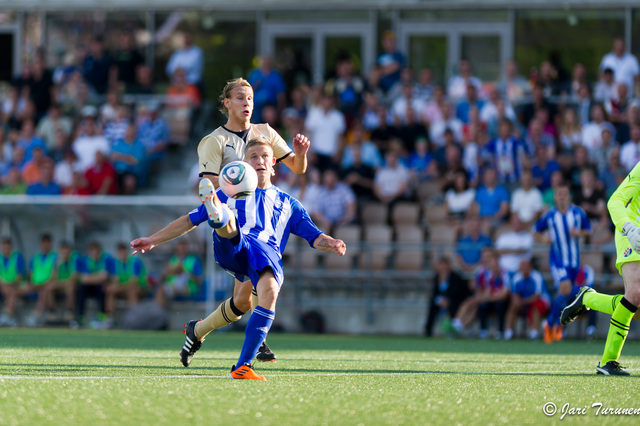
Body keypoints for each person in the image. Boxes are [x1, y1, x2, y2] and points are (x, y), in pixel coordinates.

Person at [130, 138, 346, 380]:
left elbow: (314, 236)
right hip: (235, 245)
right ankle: (217, 213)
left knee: (249, 301)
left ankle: (231, 358)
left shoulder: (289, 204)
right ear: (245, 163)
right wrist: (153, 240)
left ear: (274, 163)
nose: (260, 161)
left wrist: (333, 242)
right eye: (253, 156)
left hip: (265, 256)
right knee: (228, 219)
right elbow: (188, 221)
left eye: (265, 156)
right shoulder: (229, 191)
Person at [195, 77, 311, 362]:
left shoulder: (265, 132)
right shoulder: (215, 140)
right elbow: (210, 187)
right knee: (258, 284)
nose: (247, 103)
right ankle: (257, 342)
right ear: (227, 103)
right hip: (233, 221)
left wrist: (301, 153)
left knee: (243, 301)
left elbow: (297, 168)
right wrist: (237, 188)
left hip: (262, 216)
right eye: (240, 98)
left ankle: (196, 331)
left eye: (250, 98)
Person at [560, 156, 640, 375]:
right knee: (636, 293)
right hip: (632, 233)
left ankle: (587, 298)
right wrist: (629, 229)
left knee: (635, 309)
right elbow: (615, 201)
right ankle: (608, 362)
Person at [534, 183, 591, 344]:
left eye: (565, 194)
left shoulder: (578, 213)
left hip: (574, 261)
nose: (562, 197)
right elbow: (536, 231)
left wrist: (578, 233)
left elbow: (588, 230)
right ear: (555, 197)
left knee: (565, 294)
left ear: (569, 196)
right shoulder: (550, 215)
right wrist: (544, 238)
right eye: (559, 194)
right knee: (565, 287)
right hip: (558, 260)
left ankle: (553, 324)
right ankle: (553, 325)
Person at [424, 256, 473, 337]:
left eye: (445, 265)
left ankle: (452, 329)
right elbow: (434, 293)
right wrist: (439, 300)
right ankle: (428, 330)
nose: (443, 268)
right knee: (432, 305)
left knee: (452, 305)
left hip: (455, 301)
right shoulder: (437, 278)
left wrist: (447, 300)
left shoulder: (455, 277)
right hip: (443, 302)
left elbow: (457, 293)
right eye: (441, 265)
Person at [504, 259, 550, 340]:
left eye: (526, 266)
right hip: (524, 302)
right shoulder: (517, 277)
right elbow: (514, 294)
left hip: (540, 301)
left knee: (535, 307)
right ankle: (509, 332)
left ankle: (534, 332)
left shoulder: (537, 276)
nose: (524, 268)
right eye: (522, 266)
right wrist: (517, 302)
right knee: (513, 307)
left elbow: (537, 296)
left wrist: (522, 301)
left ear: (530, 267)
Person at [104, 243, 148, 327]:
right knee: (111, 291)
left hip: (141, 288)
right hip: (125, 289)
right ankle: (109, 319)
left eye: (123, 251)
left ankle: (135, 320)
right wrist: (113, 287)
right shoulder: (116, 263)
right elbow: (115, 280)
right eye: (120, 251)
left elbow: (133, 283)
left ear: (126, 252)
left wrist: (117, 288)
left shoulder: (134, 262)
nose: (121, 253)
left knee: (132, 291)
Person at [154, 240, 203, 308]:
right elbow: (162, 278)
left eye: (184, 246)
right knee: (160, 291)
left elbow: (199, 280)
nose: (182, 249)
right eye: (180, 246)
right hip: (173, 286)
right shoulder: (173, 260)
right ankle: (159, 313)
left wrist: (185, 273)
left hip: (188, 287)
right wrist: (169, 272)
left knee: (165, 292)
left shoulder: (193, 260)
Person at [76, 241, 114, 328]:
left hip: (99, 286)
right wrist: (98, 277)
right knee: (81, 288)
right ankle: (80, 317)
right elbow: (83, 279)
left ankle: (102, 316)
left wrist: (91, 278)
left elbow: (105, 276)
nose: (94, 253)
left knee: (102, 287)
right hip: (90, 286)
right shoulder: (86, 259)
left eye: (95, 251)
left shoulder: (105, 258)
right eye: (92, 251)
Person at [0, 238, 27, 327]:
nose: (6, 249)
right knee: (9, 290)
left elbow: (20, 276)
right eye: (4, 247)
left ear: (11, 247)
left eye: (7, 247)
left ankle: (7, 315)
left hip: (15, 286)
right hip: (4, 286)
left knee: (12, 291)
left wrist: (9, 283)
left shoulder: (17, 257)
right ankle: (9, 316)